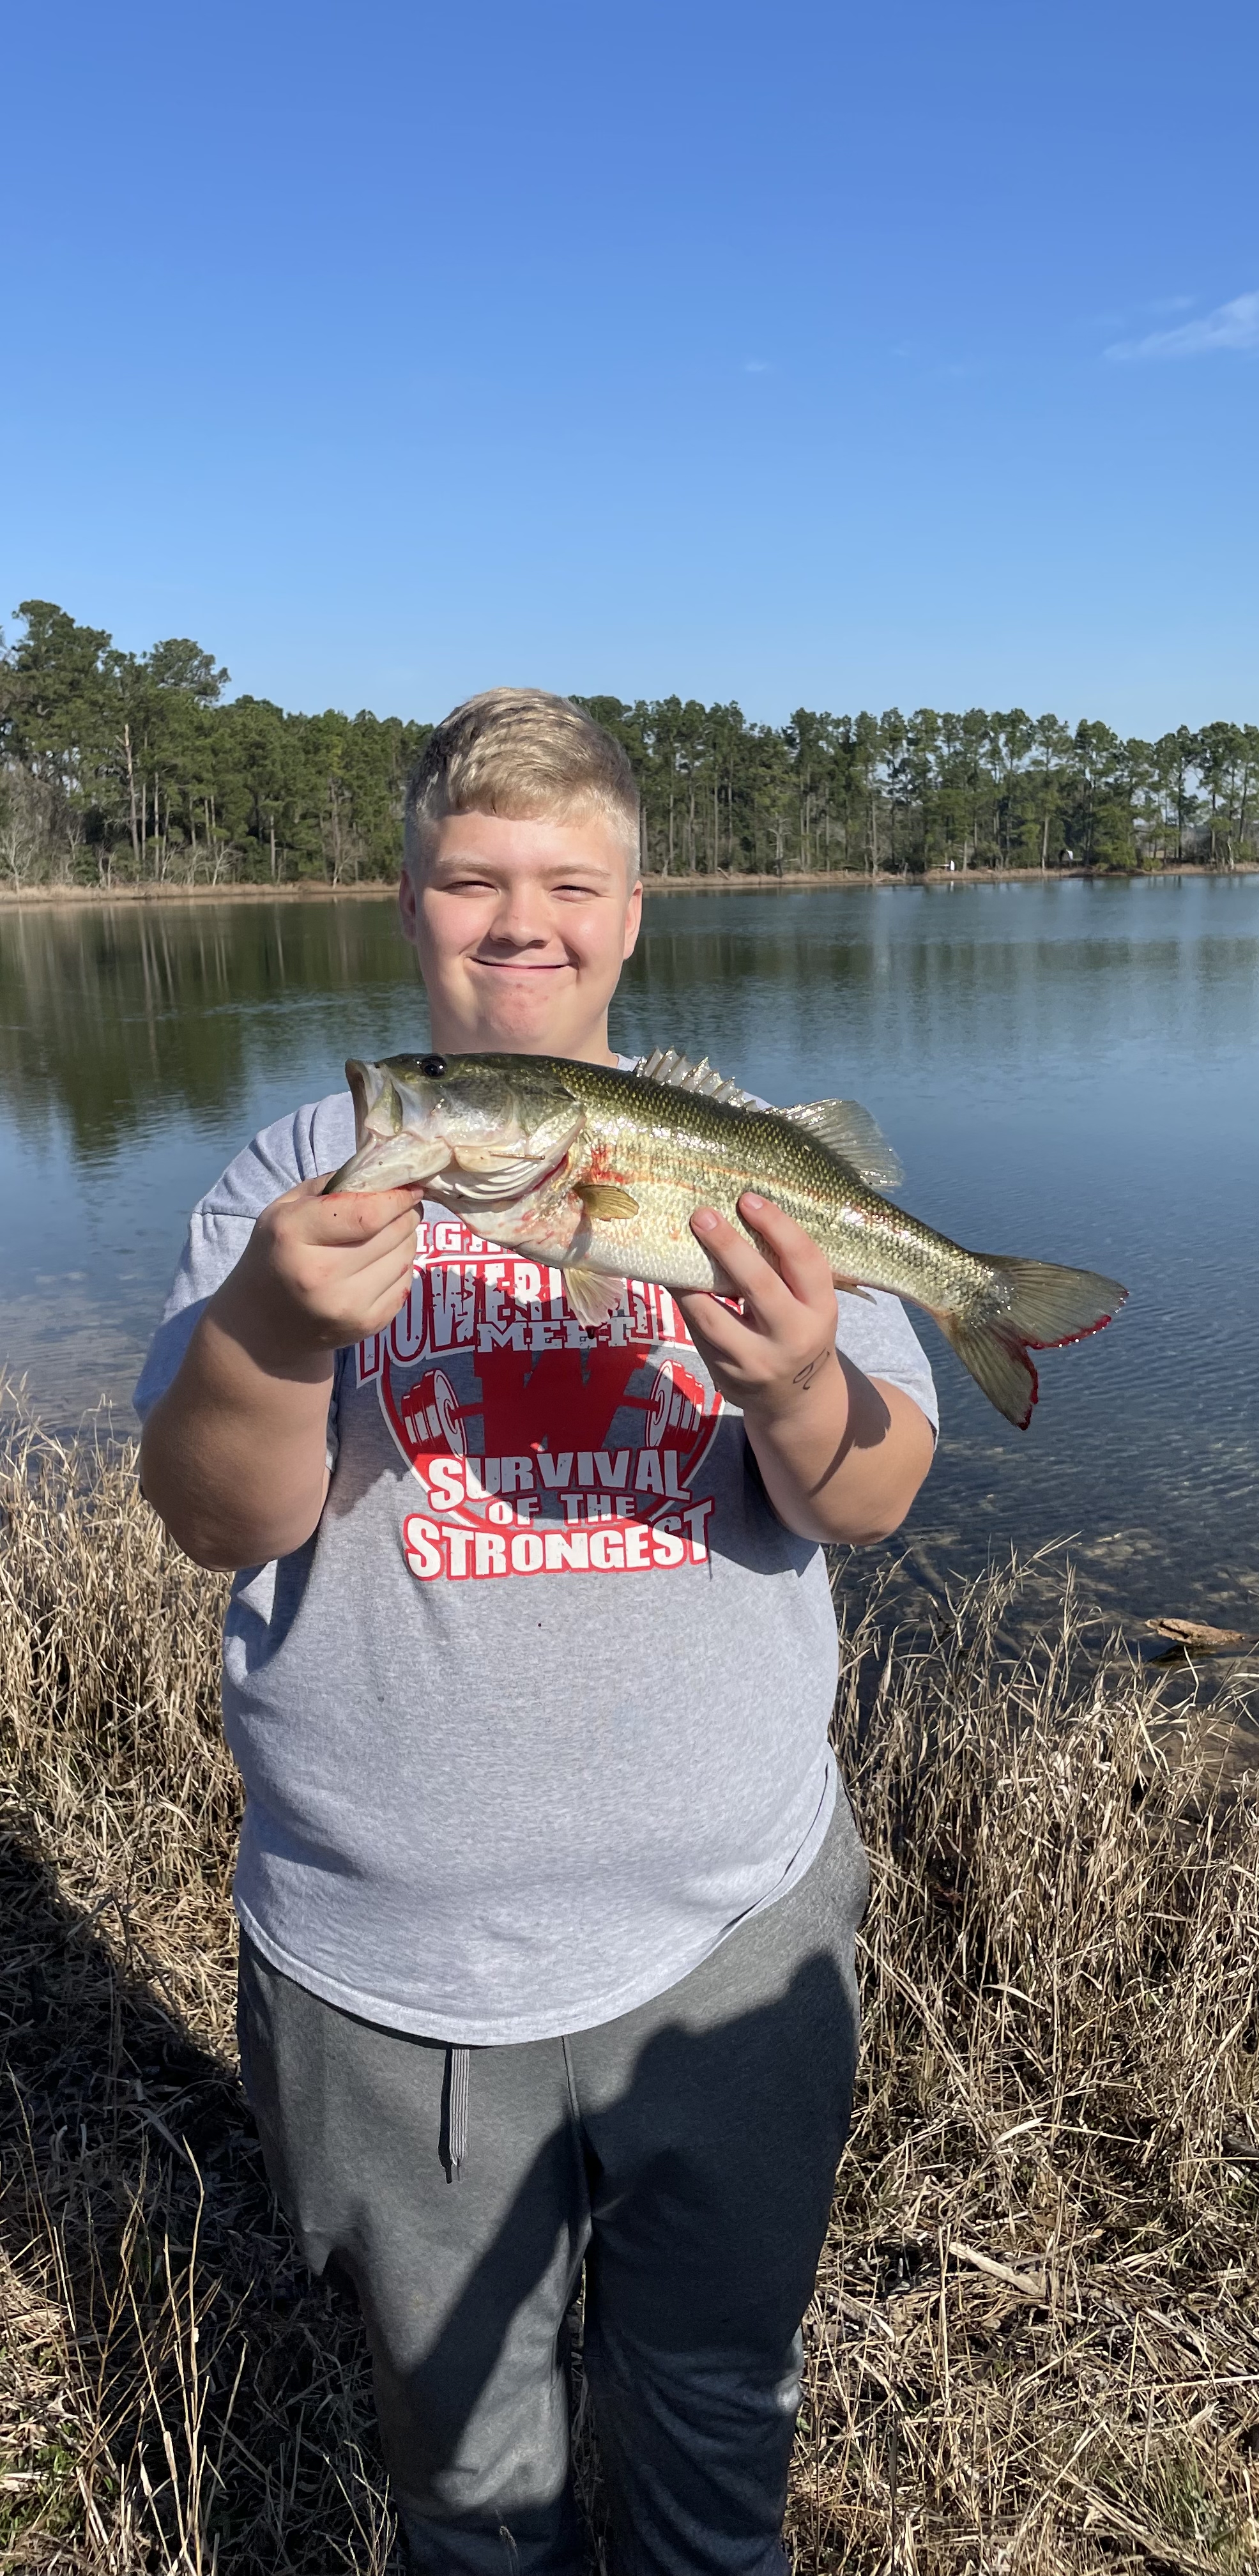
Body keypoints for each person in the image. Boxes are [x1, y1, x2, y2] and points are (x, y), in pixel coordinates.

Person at [135, 689, 938, 2575]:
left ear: (633, 914)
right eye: (470, 882)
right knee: (467, 2466)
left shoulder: (739, 1158)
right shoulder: (292, 1182)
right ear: (406, 902)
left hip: (732, 1932)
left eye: (570, 884)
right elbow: (217, 1520)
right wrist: (272, 1331)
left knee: (717, 2411)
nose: (522, 923)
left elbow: (869, 1495)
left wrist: (797, 1378)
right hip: (387, 1957)